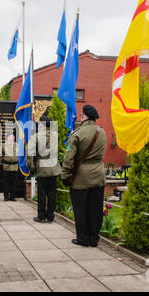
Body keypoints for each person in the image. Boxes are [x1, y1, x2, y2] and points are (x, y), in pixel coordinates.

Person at [61, 105, 107, 247]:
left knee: (81, 209)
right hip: (99, 175)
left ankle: (83, 238)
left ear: (83, 116)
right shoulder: (102, 132)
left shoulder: (78, 133)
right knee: (96, 209)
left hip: (81, 177)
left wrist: (65, 175)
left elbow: (69, 157)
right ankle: (94, 238)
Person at [27, 116, 61, 223]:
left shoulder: (36, 136)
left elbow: (29, 154)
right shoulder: (55, 136)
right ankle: (50, 216)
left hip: (42, 168)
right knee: (52, 194)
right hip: (54, 168)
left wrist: (31, 167)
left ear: (41, 124)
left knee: (42, 194)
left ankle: (41, 216)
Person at [0, 132, 19, 202]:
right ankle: (6, 196)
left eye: (13, 137)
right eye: (11, 137)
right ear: (7, 138)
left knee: (14, 182)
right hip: (6, 166)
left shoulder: (17, 145)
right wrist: (1, 163)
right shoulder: (3, 145)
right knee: (6, 182)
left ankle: (13, 196)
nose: (13, 138)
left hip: (15, 166)